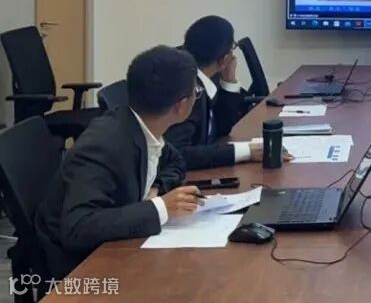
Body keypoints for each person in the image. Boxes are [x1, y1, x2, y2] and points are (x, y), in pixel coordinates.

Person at [33, 46, 204, 280]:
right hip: (79, 269)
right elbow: (78, 228)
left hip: (117, 246)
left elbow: (175, 161)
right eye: (196, 92)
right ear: (181, 106)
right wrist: (160, 208)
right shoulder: (104, 145)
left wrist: (156, 188)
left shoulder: (142, 126)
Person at [165, 15, 275, 169]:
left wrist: (229, 82)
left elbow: (221, 128)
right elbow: (178, 153)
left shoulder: (194, 76)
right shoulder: (188, 91)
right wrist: (246, 151)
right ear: (223, 60)